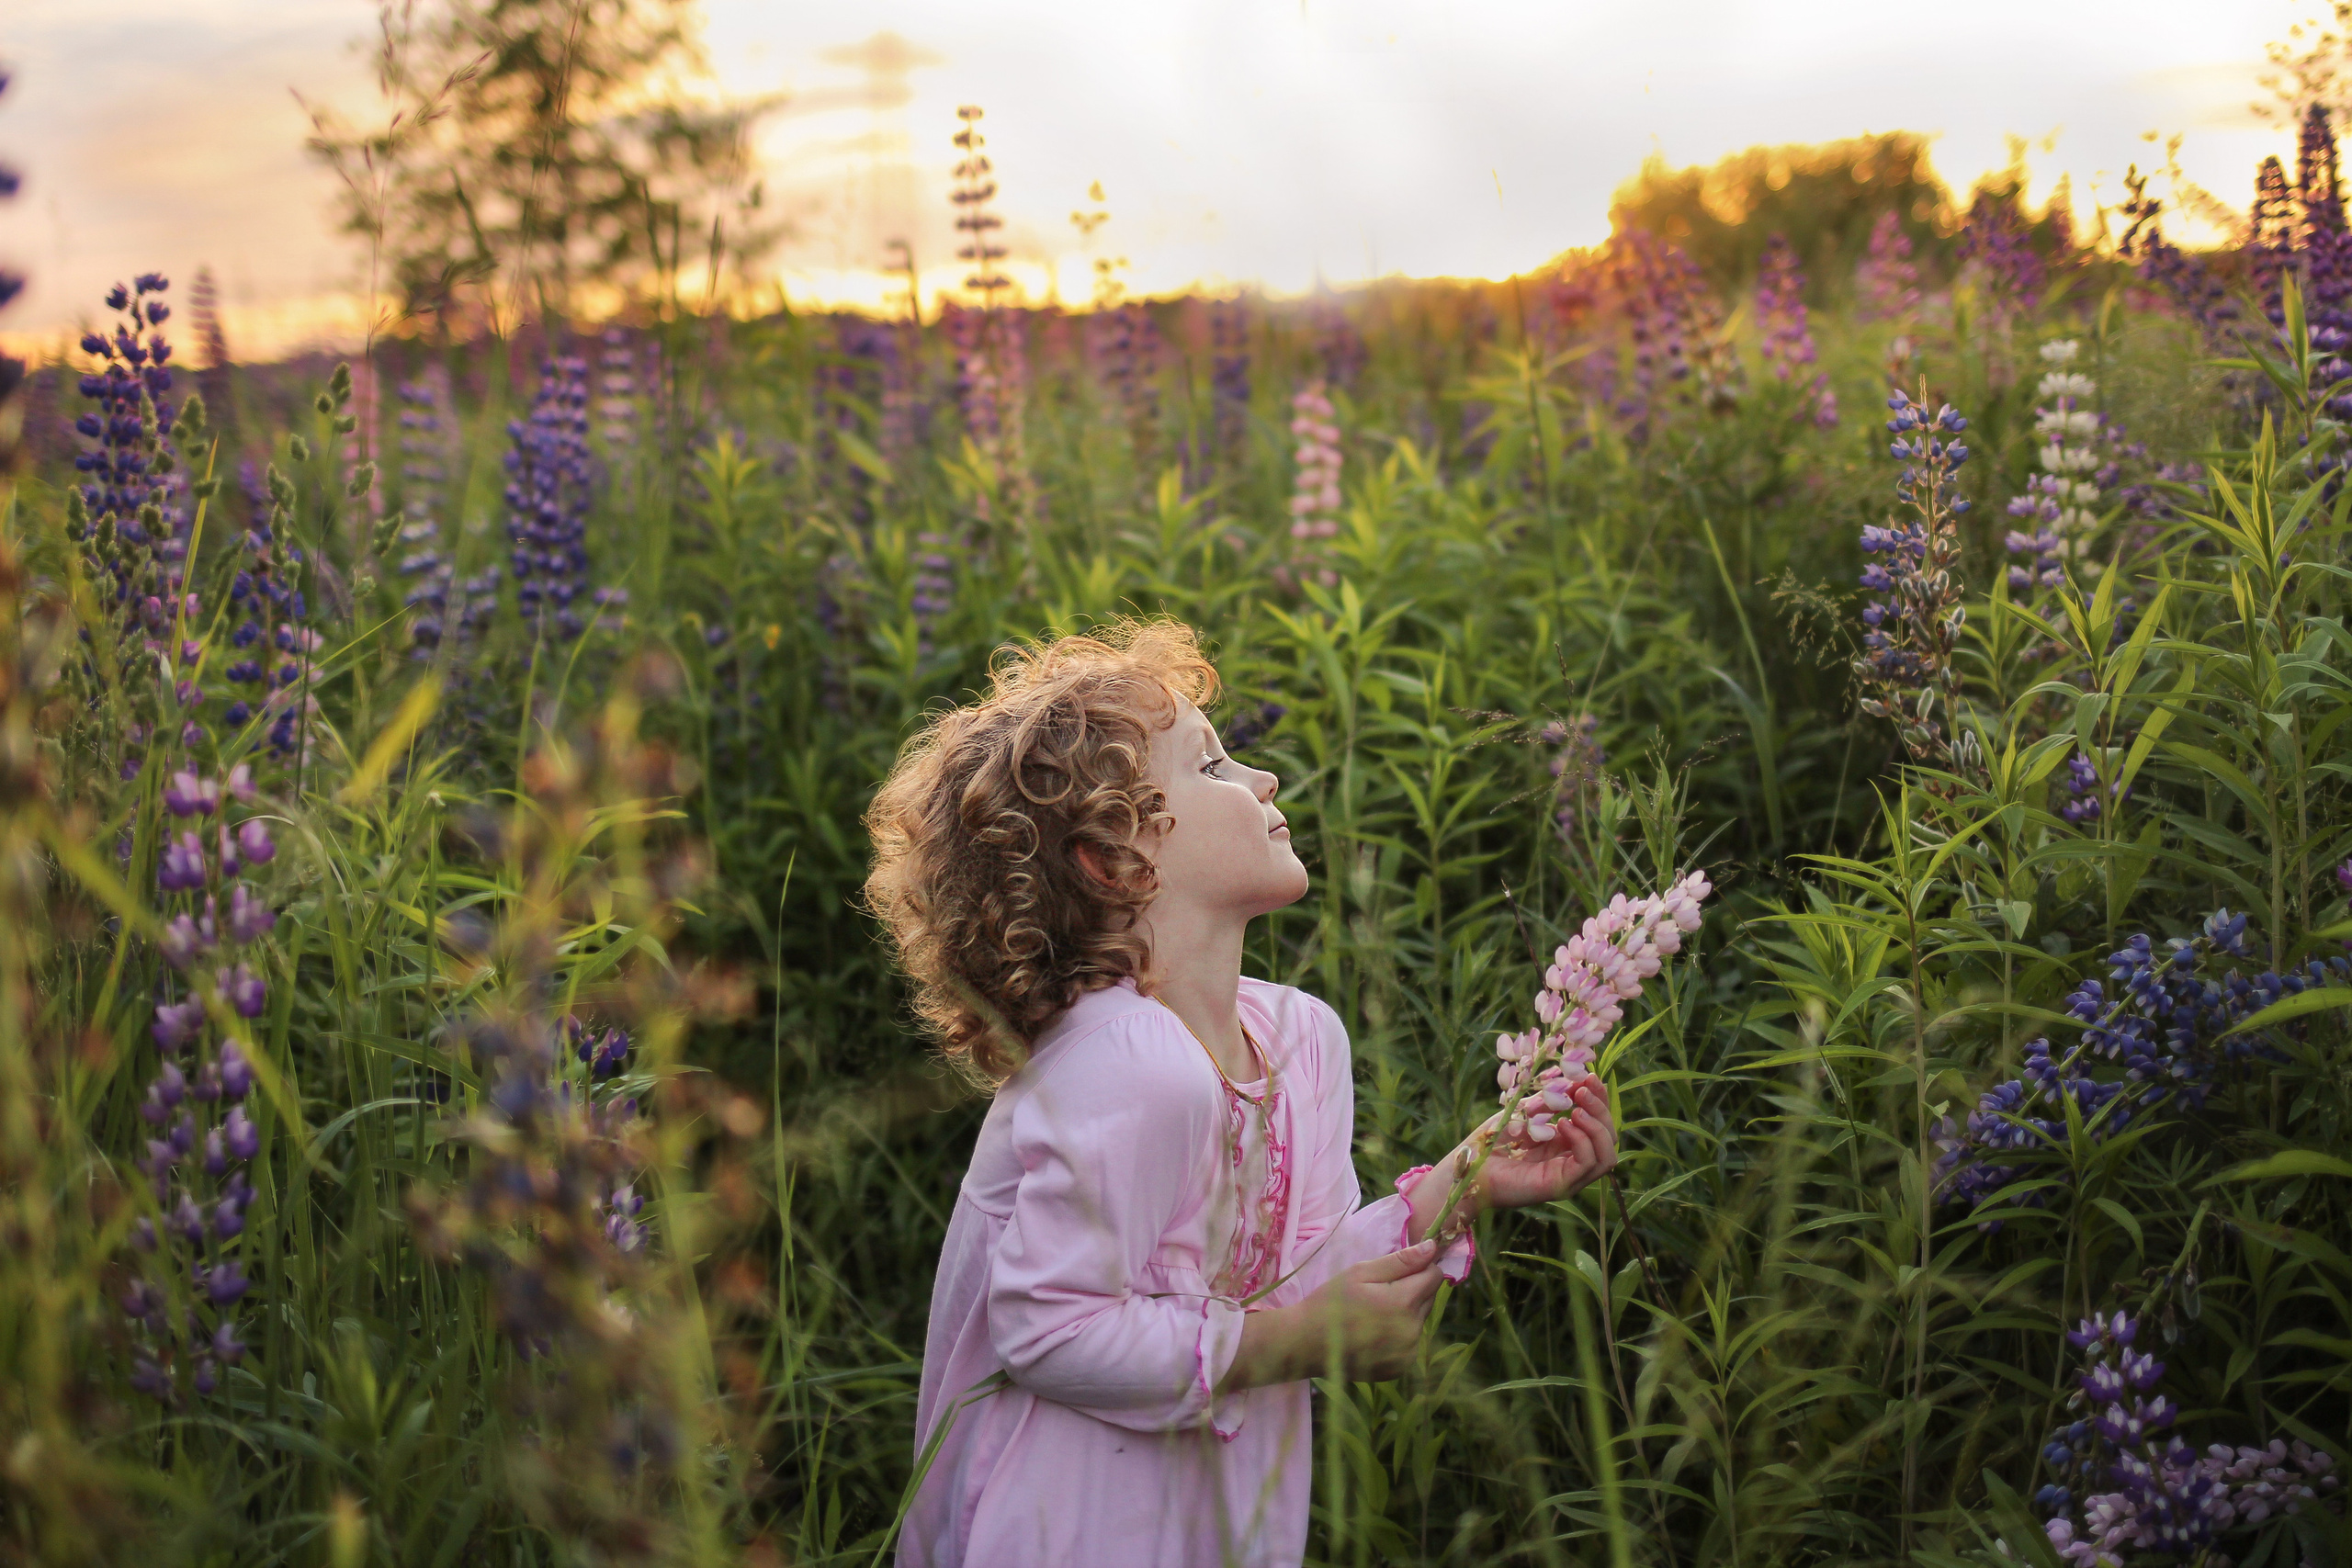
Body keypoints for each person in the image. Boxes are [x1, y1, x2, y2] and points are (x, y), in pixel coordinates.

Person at [865, 619, 1618, 1568]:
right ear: (1113, 856)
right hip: (1063, 1527)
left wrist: (1463, 1181)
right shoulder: (1124, 1061)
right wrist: (1288, 1346)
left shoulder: (1299, 1039)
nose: (1263, 779)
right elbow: (1046, 1329)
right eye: (1211, 765)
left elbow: (1292, 1284)